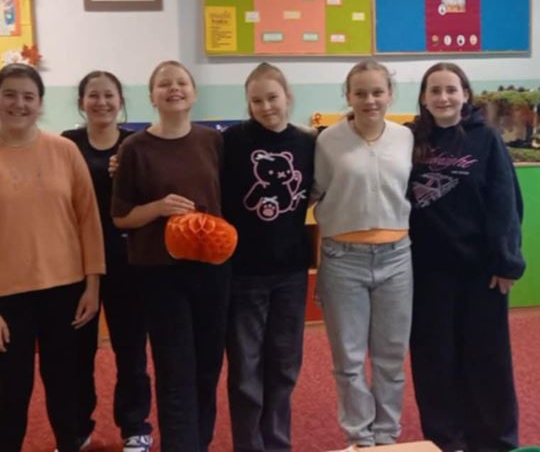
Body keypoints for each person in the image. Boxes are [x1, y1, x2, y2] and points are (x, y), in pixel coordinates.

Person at [0, 63, 105, 452]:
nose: (18, 104)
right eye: (9, 95)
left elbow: (89, 220)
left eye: (28, 97)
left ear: (40, 103)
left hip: (67, 290)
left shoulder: (65, 151)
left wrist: (92, 285)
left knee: (65, 386)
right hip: (7, 297)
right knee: (14, 389)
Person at [112, 60, 230, 452]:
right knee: (175, 369)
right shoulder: (134, 148)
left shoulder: (213, 142)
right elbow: (121, 216)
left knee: (208, 367)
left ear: (194, 93)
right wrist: (159, 208)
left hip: (211, 271)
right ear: (152, 96)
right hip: (160, 273)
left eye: (181, 82)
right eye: (164, 84)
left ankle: (200, 442)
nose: (174, 89)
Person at [408, 62, 524, 452]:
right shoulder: (410, 139)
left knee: (487, 359)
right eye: (435, 90)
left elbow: (505, 202)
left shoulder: (486, 139)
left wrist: (506, 261)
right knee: (434, 359)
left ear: (465, 95)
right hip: (427, 273)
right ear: (424, 98)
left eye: (451, 90)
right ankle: (445, 439)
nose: (443, 97)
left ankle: (495, 440)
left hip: (480, 271)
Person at [312, 59, 413, 447]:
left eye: (377, 92)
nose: (370, 100)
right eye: (360, 93)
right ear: (348, 96)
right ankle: (360, 438)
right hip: (343, 260)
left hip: (397, 258)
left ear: (390, 94)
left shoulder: (404, 137)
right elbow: (315, 190)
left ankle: (386, 436)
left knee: (391, 358)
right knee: (349, 360)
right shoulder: (328, 141)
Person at [222, 62, 315, 451]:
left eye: (272, 97)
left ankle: (277, 443)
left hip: (291, 272)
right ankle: (249, 445)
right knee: (246, 369)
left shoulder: (308, 143)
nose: (266, 107)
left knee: (284, 365)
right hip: (244, 273)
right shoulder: (231, 141)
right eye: (256, 101)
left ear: (287, 97)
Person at [63, 71, 153, 452]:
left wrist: (130, 175)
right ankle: (77, 428)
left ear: (121, 101)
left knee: (131, 350)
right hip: (77, 262)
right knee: (76, 352)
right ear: (81, 102)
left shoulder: (137, 143)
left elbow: (151, 195)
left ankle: (135, 426)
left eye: (109, 95)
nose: (101, 102)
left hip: (127, 260)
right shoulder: (67, 143)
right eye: (93, 95)